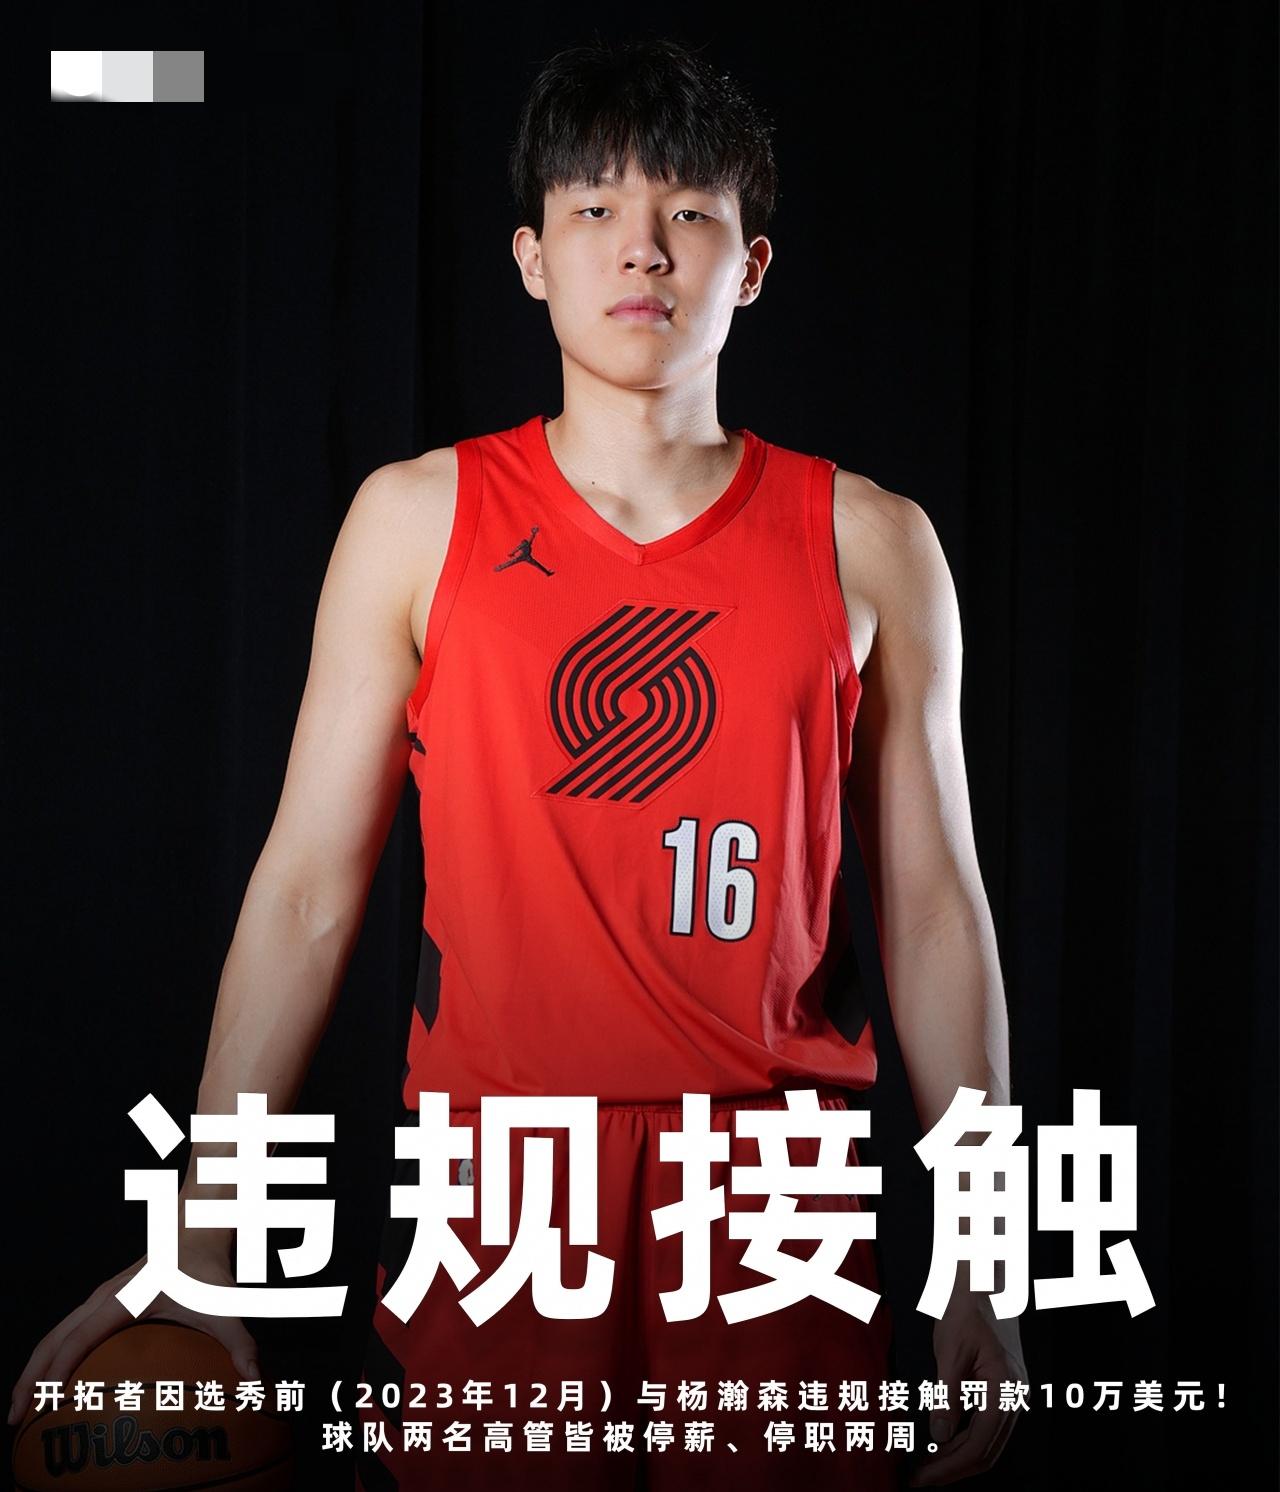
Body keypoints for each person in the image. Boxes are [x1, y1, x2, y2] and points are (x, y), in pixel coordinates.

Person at [10, 35, 1025, 1492]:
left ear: (750, 267)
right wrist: (209, 1234)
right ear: (532, 258)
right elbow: (306, 893)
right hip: (505, 1181)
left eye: (688, 213)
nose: (643, 248)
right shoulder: (417, 521)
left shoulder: (872, 542)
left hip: (767, 1192)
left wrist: (984, 1252)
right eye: (595, 208)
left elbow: (932, 913)